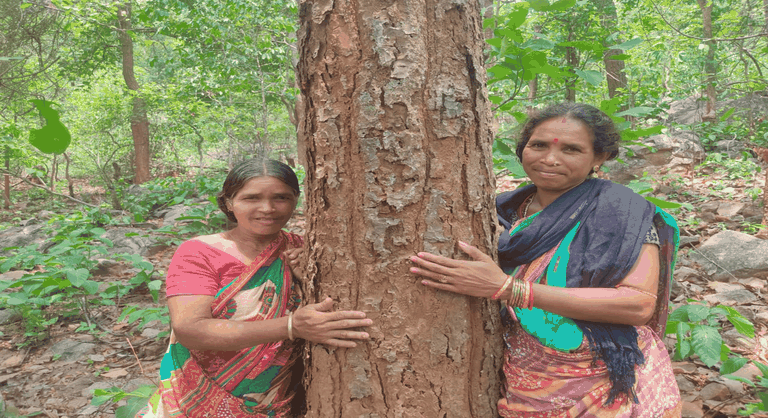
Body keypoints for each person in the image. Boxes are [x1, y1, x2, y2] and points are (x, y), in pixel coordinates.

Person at [409, 103, 682, 417]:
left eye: (572, 149)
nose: (550, 159)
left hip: (604, 384)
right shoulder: (500, 211)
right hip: (521, 379)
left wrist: (510, 289)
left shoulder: (622, 214)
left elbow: (638, 304)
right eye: (537, 145)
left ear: (599, 157)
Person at [139, 158, 373, 418]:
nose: (268, 208)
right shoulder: (199, 253)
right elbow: (190, 328)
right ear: (229, 202)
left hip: (274, 400)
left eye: (281, 197)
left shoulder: (306, 249)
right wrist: (291, 326)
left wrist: (307, 277)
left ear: (296, 200)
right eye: (251, 198)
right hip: (196, 397)